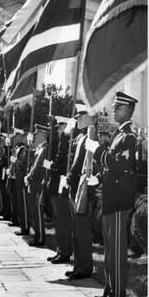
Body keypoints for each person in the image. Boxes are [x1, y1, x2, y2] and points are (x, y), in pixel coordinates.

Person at [89, 91, 139, 297]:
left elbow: (118, 166)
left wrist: (98, 149)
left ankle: (118, 294)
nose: (113, 110)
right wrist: (98, 178)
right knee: (110, 248)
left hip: (119, 201)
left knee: (117, 249)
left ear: (127, 110)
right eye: (114, 106)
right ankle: (110, 288)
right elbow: (109, 168)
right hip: (111, 198)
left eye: (117, 107)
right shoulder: (119, 135)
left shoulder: (129, 137)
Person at [65, 108, 97, 280]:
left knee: (83, 232)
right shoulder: (81, 136)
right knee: (77, 231)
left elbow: (87, 163)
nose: (77, 120)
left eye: (80, 117)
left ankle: (84, 268)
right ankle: (78, 265)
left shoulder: (92, 136)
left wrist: (73, 177)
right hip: (75, 187)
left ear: (88, 117)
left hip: (83, 189)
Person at [46, 116, 73, 264]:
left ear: (65, 126)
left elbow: (60, 162)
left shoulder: (66, 141)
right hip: (56, 185)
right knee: (58, 220)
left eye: (59, 127)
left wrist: (51, 166)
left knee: (63, 221)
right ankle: (61, 250)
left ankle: (65, 252)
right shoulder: (61, 141)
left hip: (61, 186)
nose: (57, 130)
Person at [25, 124, 49, 247]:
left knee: (38, 213)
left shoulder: (45, 149)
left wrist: (30, 176)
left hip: (38, 184)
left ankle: (40, 238)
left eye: (37, 133)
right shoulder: (39, 149)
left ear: (43, 135)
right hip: (34, 183)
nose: (35, 135)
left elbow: (39, 167)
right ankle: (36, 236)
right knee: (34, 212)